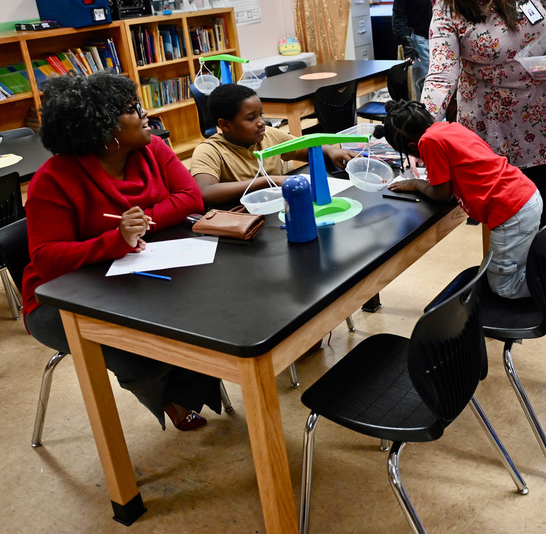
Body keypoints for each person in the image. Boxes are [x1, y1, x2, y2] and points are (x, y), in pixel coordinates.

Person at [22, 72, 221, 431]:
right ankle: (172, 398)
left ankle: (190, 390)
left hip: (136, 273)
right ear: (102, 127)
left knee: (207, 313)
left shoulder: (152, 148)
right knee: (137, 352)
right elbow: (47, 259)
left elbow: (190, 197)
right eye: (132, 109)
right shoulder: (53, 180)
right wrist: (114, 240)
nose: (146, 114)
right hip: (63, 298)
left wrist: (141, 225)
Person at [381, 99, 546, 322]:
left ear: (411, 147)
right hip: (524, 195)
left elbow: (441, 193)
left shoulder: (428, 142)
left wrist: (414, 184)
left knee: (505, 286)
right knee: (525, 260)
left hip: (511, 212)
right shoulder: (449, 127)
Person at [421, 0, 546, 226]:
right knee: (509, 232)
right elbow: (441, 73)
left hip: (545, 119)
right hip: (493, 135)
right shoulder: (447, 9)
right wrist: (421, 130)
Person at [190, 83, 358, 207]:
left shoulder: (268, 135)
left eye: (261, 114)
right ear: (225, 125)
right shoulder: (209, 151)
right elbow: (206, 191)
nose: (261, 123)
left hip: (278, 210)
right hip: (245, 219)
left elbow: (304, 148)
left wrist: (330, 150)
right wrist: (268, 181)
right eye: (251, 118)